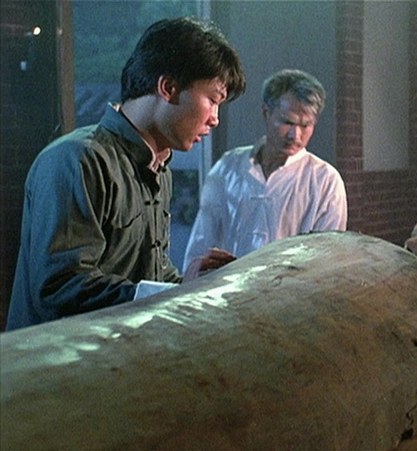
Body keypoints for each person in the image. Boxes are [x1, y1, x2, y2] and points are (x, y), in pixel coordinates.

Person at [6, 17, 246, 331]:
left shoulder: (158, 165)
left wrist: (198, 285)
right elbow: (58, 288)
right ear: (168, 87)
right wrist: (174, 294)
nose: (215, 119)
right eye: (213, 100)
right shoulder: (77, 159)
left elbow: (148, 275)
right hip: (57, 359)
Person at [183, 69, 347, 278]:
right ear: (266, 112)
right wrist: (190, 281)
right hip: (228, 290)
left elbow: (326, 261)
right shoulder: (228, 168)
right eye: (287, 122)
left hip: (290, 294)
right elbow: (201, 243)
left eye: (306, 125)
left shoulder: (325, 181)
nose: (295, 135)